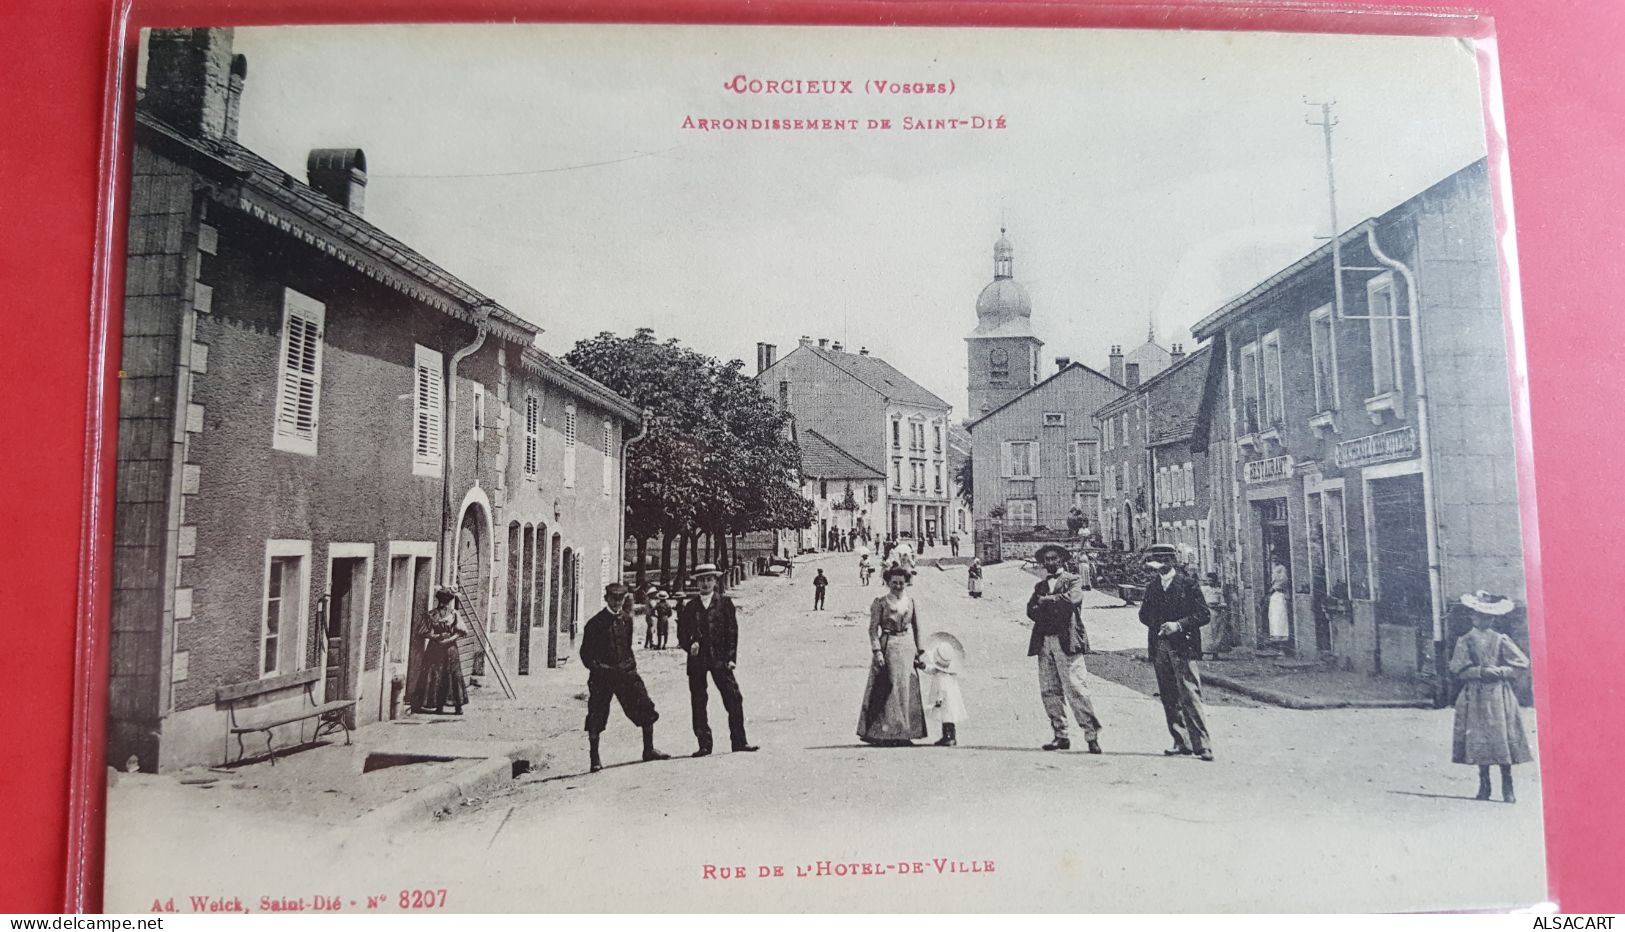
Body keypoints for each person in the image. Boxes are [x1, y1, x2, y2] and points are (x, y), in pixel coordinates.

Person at [1449, 591, 1532, 803]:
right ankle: (1484, 784)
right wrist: (1478, 672)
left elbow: (1522, 663)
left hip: (1498, 694)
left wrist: (1502, 671)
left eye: (1488, 616)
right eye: (1478, 615)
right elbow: (1457, 669)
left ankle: (1507, 784)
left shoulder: (1500, 639)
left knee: (1501, 735)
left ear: (1493, 618)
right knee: (1479, 737)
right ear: (1472, 617)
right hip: (1475, 694)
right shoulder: (1465, 640)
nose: (1483, 619)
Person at [579, 582, 671, 773]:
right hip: (602, 677)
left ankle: (649, 749)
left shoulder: (626, 620)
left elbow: (627, 647)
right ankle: (594, 758)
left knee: (645, 705)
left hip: (625, 674)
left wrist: (630, 667)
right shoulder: (595, 624)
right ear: (606, 599)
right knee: (597, 714)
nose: (617, 603)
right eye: (613, 599)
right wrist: (601, 669)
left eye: (620, 599)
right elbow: (586, 656)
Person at [1140, 543, 1214, 760]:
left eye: (1163, 560)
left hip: (1183, 645)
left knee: (1190, 694)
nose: (1159, 565)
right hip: (1160, 645)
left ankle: (1203, 745)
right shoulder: (1153, 586)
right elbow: (1143, 615)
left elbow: (1203, 614)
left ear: (1172, 561)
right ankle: (1181, 741)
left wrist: (1178, 625)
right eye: (1156, 560)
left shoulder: (1188, 584)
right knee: (1168, 695)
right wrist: (1159, 624)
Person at [677, 564, 759, 757]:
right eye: (701, 580)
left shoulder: (724, 604)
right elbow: (682, 635)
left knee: (734, 698)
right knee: (698, 701)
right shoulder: (690, 607)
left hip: (720, 659)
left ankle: (739, 741)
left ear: (715, 581)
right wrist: (690, 646)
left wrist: (731, 658)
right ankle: (704, 744)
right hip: (698, 661)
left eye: (709, 579)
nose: (705, 584)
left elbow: (732, 632)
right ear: (696, 583)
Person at [1027, 544, 1102, 753]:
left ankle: (1091, 735)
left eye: (1054, 559)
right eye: (1046, 560)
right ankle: (1060, 734)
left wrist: (1048, 601)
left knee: (1076, 688)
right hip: (1044, 642)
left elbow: (1072, 600)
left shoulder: (1073, 580)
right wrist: (1050, 605)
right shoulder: (1040, 586)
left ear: (1062, 560)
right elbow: (1031, 611)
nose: (1050, 562)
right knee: (1049, 690)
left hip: (1067, 641)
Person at [857, 566, 928, 745]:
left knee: (906, 690)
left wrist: (919, 651)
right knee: (888, 689)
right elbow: (873, 629)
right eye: (894, 582)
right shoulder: (880, 603)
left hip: (906, 647)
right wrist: (877, 651)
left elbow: (917, 628)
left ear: (906, 583)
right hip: (887, 646)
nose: (897, 586)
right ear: (888, 583)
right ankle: (882, 734)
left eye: (901, 583)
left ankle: (904, 733)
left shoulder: (911, 602)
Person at [413, 587, 468, 715]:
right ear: (438, 600)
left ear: (449, 601)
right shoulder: (431, 614)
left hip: (450, 649)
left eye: (447, 601)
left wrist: (449, 639)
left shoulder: (454, 614)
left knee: (453, 675)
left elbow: (461, 632)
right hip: (435, 649)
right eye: (442, 601)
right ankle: (438, 705)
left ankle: (458, 706)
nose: (444, 604)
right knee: (435, 675)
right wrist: (437, 637)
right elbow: (423, 633)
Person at [922, 632, 966, 747]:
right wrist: (923, 666)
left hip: (945, 702)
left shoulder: (942, 677)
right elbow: (932, 670)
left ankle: (949, 738)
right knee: (948, 720)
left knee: (947, 720)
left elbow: (942, 690)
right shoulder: (947, 673)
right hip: (950, 702)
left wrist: (939, 701)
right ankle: (950, 737)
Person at [1267, 558, 1291, 643]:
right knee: (1273, 615)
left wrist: (1274, 588)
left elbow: (1283, 581)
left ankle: (1281, 637)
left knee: (1280, 615)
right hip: (1274, 595)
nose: (1274, 559)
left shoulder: (1282, 568)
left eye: (1276, 557)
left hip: (1280, 594)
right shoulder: (1273, 567)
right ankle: (1275, 636)